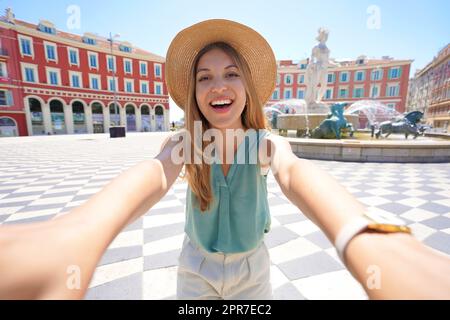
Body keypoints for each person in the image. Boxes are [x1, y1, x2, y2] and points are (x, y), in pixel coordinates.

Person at [1, 19, 450, 300]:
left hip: (252, 271)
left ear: (247, 88)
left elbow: (295, 174)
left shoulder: (263, 142)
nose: (219, 85)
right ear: (194, 93)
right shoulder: (190, 143)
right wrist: (78, 230)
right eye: (206, 76)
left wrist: (368, 234)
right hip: (195, 269)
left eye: (232, 74)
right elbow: (154, 176)